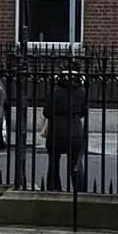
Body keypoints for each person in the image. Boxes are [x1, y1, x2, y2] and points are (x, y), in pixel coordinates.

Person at [42, 64, 88, 192]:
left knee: (53, 164)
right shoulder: (81, 90)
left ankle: (54, 190)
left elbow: (47, 112)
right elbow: (84, 111)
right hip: (76, 131)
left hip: (56, 132)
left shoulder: (55, 90)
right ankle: (80, 192)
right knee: (76, 164)